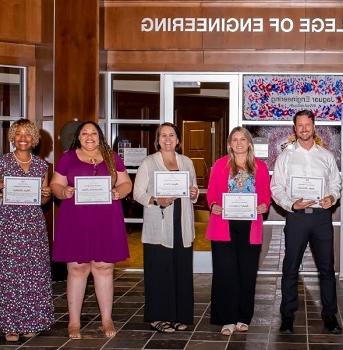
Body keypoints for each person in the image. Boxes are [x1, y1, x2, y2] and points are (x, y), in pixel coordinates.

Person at [49, 121, 132, 339]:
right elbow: (54, 185)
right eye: (84, 133)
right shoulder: (68, 157)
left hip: (106, 219)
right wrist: (63, 191)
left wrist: (119, 192)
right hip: (75, 220)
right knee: (77, 269)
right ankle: (73, 322)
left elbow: (126, 183)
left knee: (104, 268)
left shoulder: (111, 156)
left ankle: (106, 320)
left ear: (100, 136)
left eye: (93, 133)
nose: (89, 137)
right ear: (78, 136)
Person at [271, 109, 343, 334]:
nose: (304, 129)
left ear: (314, 127)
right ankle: (287, 318)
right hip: (297, 218)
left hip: (322, 217)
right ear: (295, 129)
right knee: (290, 268)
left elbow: (335, 184)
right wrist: (291, 204)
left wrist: (332, 197)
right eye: (299, 125)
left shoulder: (326, 156)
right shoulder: (286, 156)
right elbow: (276, 188)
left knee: (326, 270)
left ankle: (330, 317)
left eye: (307, 125)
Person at [0, 119, 54, 342]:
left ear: (34, 139)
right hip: (10, 224)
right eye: (18, 134)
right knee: (10, 273)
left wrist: (45, 195)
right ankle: (9, 324)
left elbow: (44, 201)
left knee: (34, 272)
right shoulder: (2, 162)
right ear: (12, 137)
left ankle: (32, 321)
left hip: (34, 224)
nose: (23, 138)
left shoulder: (42, 165)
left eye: (27, 134)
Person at [133, 122, 199, 333]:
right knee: (160, 272)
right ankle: (158, 317)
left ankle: (180, 316)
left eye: (172, 135)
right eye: (163, 136)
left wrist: (194, 193)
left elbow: (194, 189)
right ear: (158, 140)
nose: (168, 139)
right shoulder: (149, 162)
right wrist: (155, 200)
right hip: (159, 224)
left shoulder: (187, 162)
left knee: (181, 271)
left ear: (178, 140)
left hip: (182, 223)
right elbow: (137, 194)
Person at [206, 127, 272, 336]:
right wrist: (214, 204)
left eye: (243, 139)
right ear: (229, 144)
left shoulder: (260, 167)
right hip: (223, 226)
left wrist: (263, 206)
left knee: (247, 273)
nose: (239, 143)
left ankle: (244, 316)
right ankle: (227, 318)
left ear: (249, 143)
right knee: (226, 273)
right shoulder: (219, 165)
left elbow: (265, 196)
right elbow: (211, 194)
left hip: (249, 227)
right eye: (235, 139)